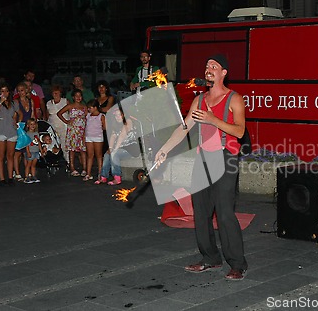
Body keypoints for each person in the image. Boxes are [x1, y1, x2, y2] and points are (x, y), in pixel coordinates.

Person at [154, 54, 248, 281]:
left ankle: (237, 264)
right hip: (203, 158)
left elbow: (240, 132)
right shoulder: (199, 100)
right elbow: (184, 128)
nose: (209, 69)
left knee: (224, 211)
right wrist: (164, 149)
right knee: (201, 211)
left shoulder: (234, 99)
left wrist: (213, 119)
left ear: (223, 72)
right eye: (207, 66)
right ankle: (210, 258)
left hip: (226, 157)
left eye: (214, 66)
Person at [95, 108, 137, 185]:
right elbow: (113, 136)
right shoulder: (116, 124)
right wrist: (110, 148)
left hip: (131, 148)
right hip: (120, 147)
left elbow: (122, 136)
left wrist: (114, 150)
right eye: (116, 115)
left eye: (119, 115)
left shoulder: (128, 121)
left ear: (123, 115)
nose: (117, 117)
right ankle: (103, 176)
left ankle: (117, 177)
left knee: (114, 154)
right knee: (107, 154)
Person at [0, 84, 22, 186]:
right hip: (0, 130)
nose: (4, 93)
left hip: (11, 131)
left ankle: (10, 177)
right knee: (0, 156)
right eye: (2, 91)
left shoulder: (14, 103)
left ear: (9, 92)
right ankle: (2, 178)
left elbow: (19, 113)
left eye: (6, 91)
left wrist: (17, 120)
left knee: (10, 155)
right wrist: (0, 102)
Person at [57, 89, 87, 177]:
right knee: (72, 149)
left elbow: (86, 117)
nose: (78, 97)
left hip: (82, 130)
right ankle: (72, 168)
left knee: (83, 149)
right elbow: (59, 113)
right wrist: (66, 121)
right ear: (73, 97)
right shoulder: (70, 106)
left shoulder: (84, 107)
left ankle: (85, 168)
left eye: (80, 96)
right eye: (76, 96)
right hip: (73, 130)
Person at [13, 82, 36, 181]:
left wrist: (34, 128)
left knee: (27, 151)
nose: (20, 92)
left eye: (22, 90)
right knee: (18, 152)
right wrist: (17, 127)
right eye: (18, 91)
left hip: (28, 127)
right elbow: (14, 116)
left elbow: (32, 115)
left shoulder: (31, 101)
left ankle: (28, 173)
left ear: (26, 90)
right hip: (20, 127)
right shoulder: (16, 102)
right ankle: (17, 173)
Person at [45, 85, 69, 163]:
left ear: (60, 93)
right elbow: (47, 115)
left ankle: (68, 162)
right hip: (52, 127)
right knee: (52, 144)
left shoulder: (65, 101)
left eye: (57, 93)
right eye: (54, 93)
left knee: (64, 145)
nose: (55, 95)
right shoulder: (48, 103)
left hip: (63, 126)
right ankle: (54, 161)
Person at [84, 99, 105, 181]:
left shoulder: (101, 116)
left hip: (98, 137)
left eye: (90, 108)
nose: (89, 109)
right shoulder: (88, 115)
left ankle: (100, 173)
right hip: (89, 137)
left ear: (95, 108)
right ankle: (88, 173)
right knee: (89, 155)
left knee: (99, 155)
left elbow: (104, 126)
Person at [23, 118, 41, 183]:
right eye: (31, 124)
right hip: (30, 151)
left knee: (34, 164)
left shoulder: (36, 133)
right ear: (28, 125)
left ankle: (33, 176)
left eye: (34, 124)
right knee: (29, 164)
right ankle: (27, 177)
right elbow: (27, 144)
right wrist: (28, 152)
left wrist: (40, 150)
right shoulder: (27, 134)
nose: (33, 126)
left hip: (36, 151)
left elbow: (38, 142)